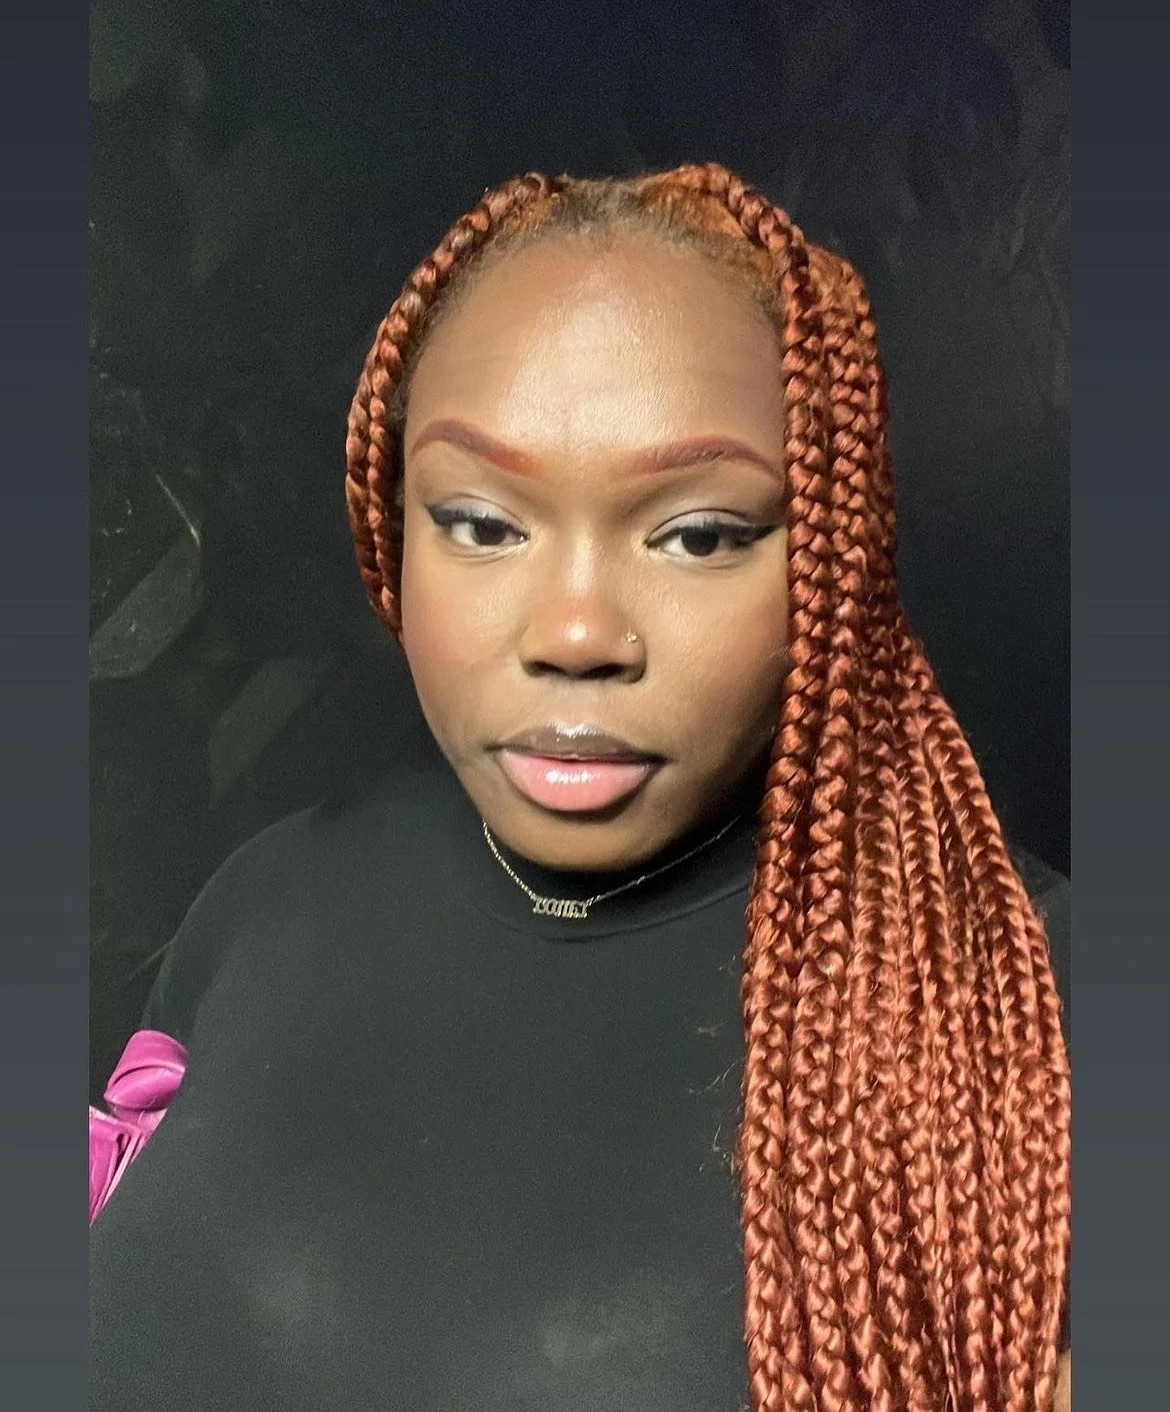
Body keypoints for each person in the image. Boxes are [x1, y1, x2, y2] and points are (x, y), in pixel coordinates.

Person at [89, 164, 1071, 1412]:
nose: (576, 630)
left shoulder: (1030, 1013)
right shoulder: (266, 891)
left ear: (835, 550)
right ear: (393, 524)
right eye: (483, 524)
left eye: (699, 534)